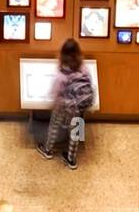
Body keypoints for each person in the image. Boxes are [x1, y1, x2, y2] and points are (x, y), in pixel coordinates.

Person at [37, 39, 96, 170]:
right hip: (80, 106)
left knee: (54, 125)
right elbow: (89, 84)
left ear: (62, 54)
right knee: (76, 130)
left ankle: (48, 150)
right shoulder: (84, 68)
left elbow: (55, 91)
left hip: (65, 106)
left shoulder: (62, 73)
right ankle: (71, 159)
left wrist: (52, 102)